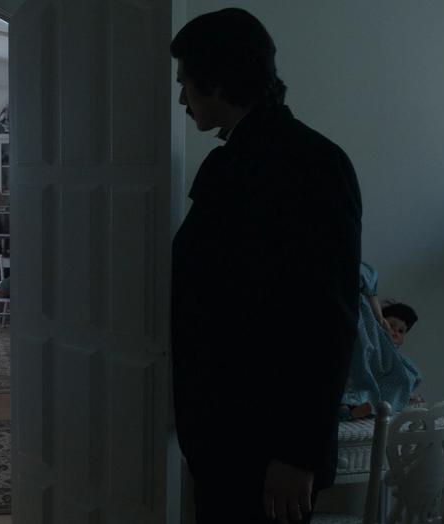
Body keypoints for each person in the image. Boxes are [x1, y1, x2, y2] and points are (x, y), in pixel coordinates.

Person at [170, 9, 362, 524]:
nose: (182, 98)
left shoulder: (314, 165)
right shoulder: (233, 162)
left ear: (217, 76)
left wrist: (297, 453)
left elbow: (326, 319)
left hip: (266, 446)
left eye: (186, 81)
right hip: (224, 435)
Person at [341, 271, 421, 419]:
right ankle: (354, 411)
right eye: (391, 326)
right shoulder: (375, 343)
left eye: (401, 331)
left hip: (387, 390)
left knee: (409, 376)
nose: (395, 332)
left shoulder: (396, 356)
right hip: (375, 380)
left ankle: (395, 402)